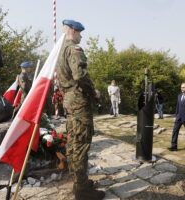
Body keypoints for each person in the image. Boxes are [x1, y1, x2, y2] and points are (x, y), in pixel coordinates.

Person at [56, 19, 105, 200]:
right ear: (74, 31)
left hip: (69, 101)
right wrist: (94, 92)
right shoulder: (73, 49)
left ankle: (80, 180)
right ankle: (82, 190)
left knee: (74, 141)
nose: (81, 36)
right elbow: (80, 75)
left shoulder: (60, 51)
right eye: (80, 33)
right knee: (82, 143)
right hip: (78, 102)